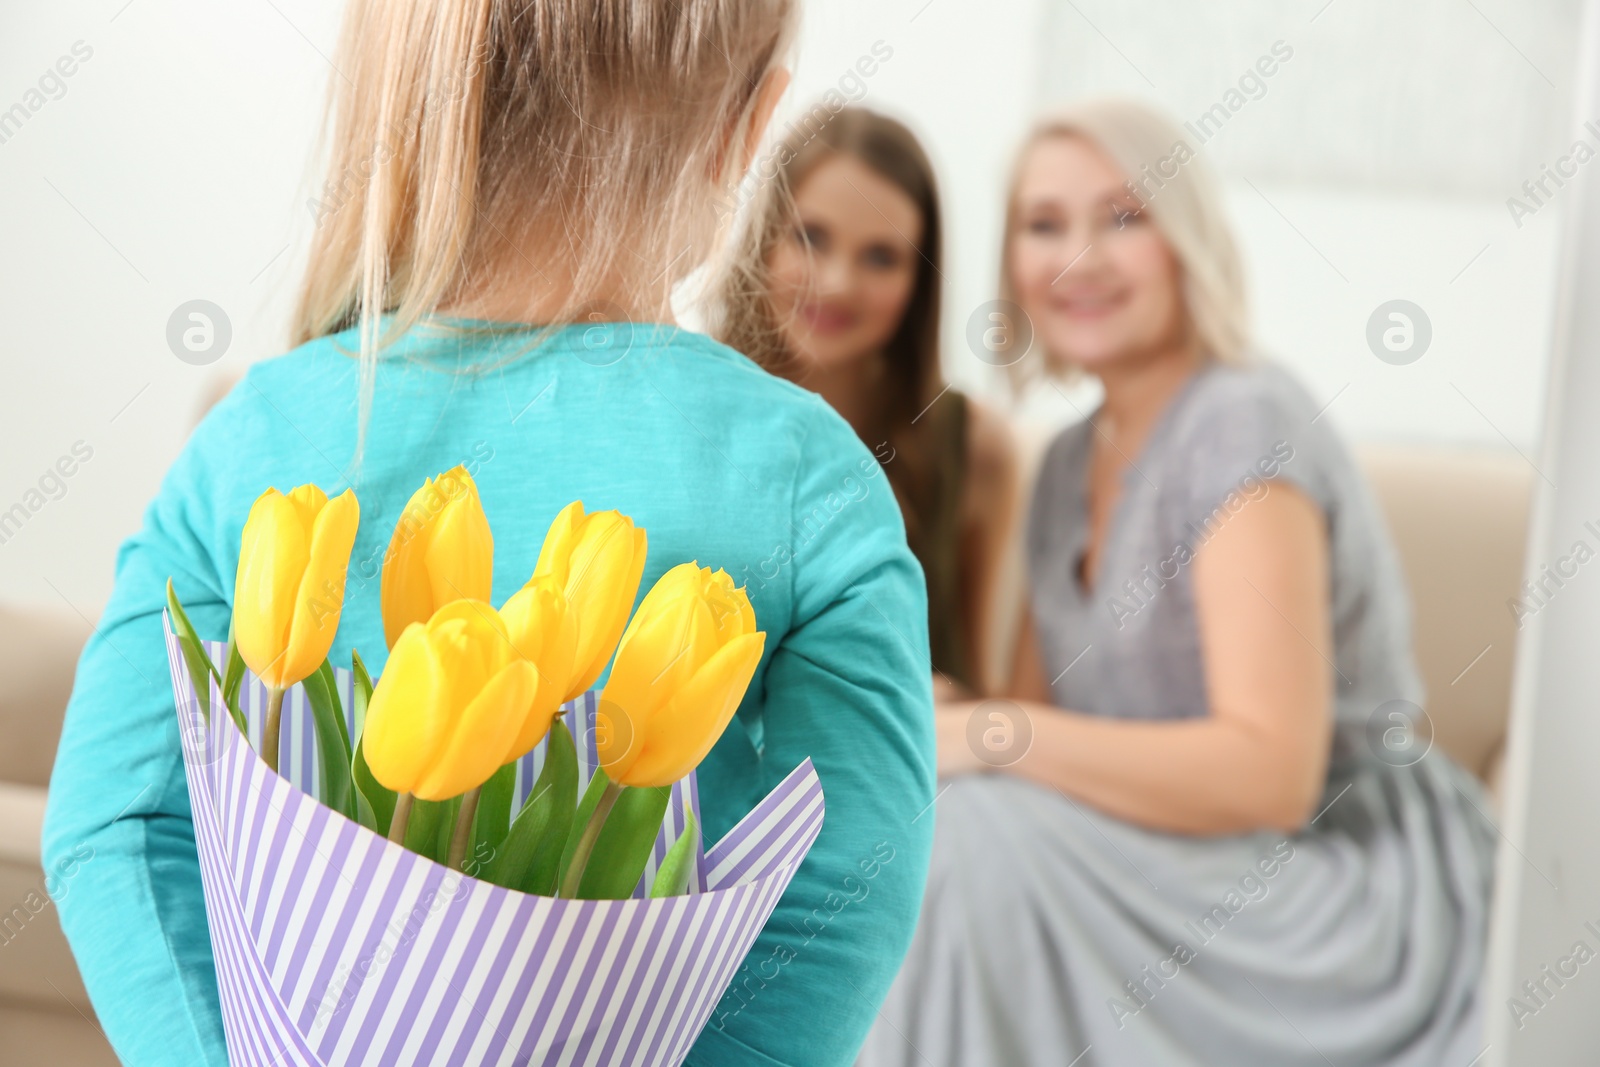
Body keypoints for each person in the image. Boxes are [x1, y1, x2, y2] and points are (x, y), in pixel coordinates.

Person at [42, 3, 936, 1065]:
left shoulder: (258, 437)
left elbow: (116, 827)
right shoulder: (808, 473)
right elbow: (851, 879)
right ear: (750, 128)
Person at [856, 98, 1496, 1066]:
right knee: (947, 823)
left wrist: (993, 734)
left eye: (1124, 217)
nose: (1080, 257)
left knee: (964, 840)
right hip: (1160, 856)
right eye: (1043, 225)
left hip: (1331, 881)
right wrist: (958, 718)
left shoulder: (1240, 422)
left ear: (1187, 240)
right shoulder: (1067, 463)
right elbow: (1037, 739)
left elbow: (1270, 775)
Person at [713, 106, 1016, 701]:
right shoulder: (692, 408)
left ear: (920, 278)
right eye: (810, 238)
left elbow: (973, 681)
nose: (836, 283)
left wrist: (943, 699)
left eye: (882, 257)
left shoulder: (972, 445)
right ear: (764, 238)